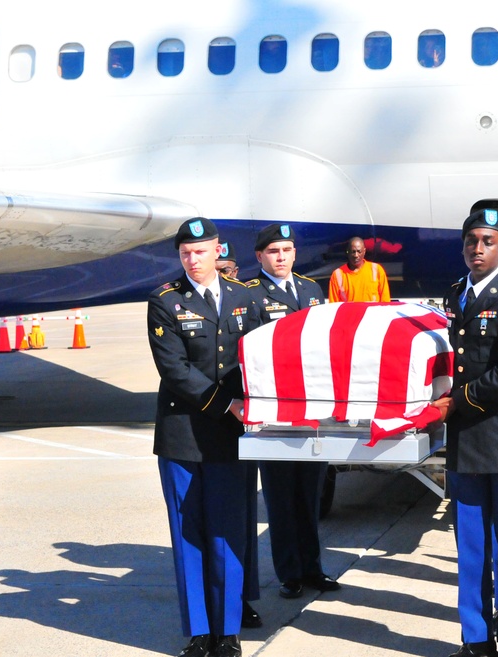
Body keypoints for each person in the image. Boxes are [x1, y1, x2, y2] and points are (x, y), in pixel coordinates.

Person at [147, 217, 261, 657]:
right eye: (184, 253)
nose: (192, 260)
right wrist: (226, 404)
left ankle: (228, 631)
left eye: (200, 251)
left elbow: (256, 358)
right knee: (188, 533)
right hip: (182, 436)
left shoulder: (244, 297)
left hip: (233, 437)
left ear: (218, 251)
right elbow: (173, 370)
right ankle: (199, 631)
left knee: (228, 532)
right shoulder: (164, 301)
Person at [432, 209, 498, 657]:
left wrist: (456, 401)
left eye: (488, 241)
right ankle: (475, 640)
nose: (477, 249)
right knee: (472, 548)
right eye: (471, 241)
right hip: (466, 440)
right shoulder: (456, 294)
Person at [245, 223, 341, 599]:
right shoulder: (250, 295)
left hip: (312, 410)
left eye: (286, 250)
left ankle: (313, 568)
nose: (281, 257)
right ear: (259, 257)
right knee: (281, 497)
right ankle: (290, 574)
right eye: (273, 252)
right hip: (275, 412)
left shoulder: (310, 289)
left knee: (310, 494)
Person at [213, 239, 262, 629]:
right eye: (222, 267)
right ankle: (226, 603)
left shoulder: (248, 302)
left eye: (231, 268)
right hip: (215, 419)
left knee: (243, 520)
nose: (228, 274)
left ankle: (243, 597)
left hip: (246, 424)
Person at [328, 236, 391, 303]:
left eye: (359, 251)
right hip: (349, 313)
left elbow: (385, 302)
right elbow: (333, 306)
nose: (356, 255)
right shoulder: (337, 275)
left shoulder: (377, 270)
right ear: (347, 252)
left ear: (364, 251)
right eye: (353, 251)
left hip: (372, 313)